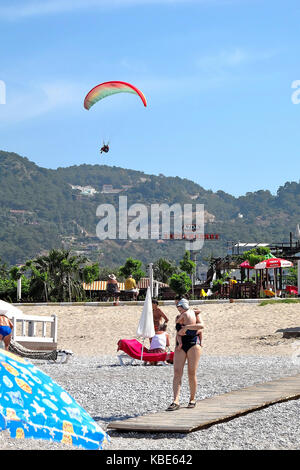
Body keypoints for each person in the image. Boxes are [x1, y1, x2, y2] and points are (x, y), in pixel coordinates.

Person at [166, 298, 204, 411]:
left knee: (191, 372)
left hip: (193, 342)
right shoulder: (178, 317)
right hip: (180, 344)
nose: (178, 308)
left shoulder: (195, 313)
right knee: (177, 372)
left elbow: (201, 326)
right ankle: (175, 400)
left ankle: (192, 399)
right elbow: (178, 332)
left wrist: (187, 327)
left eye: (179, 305)